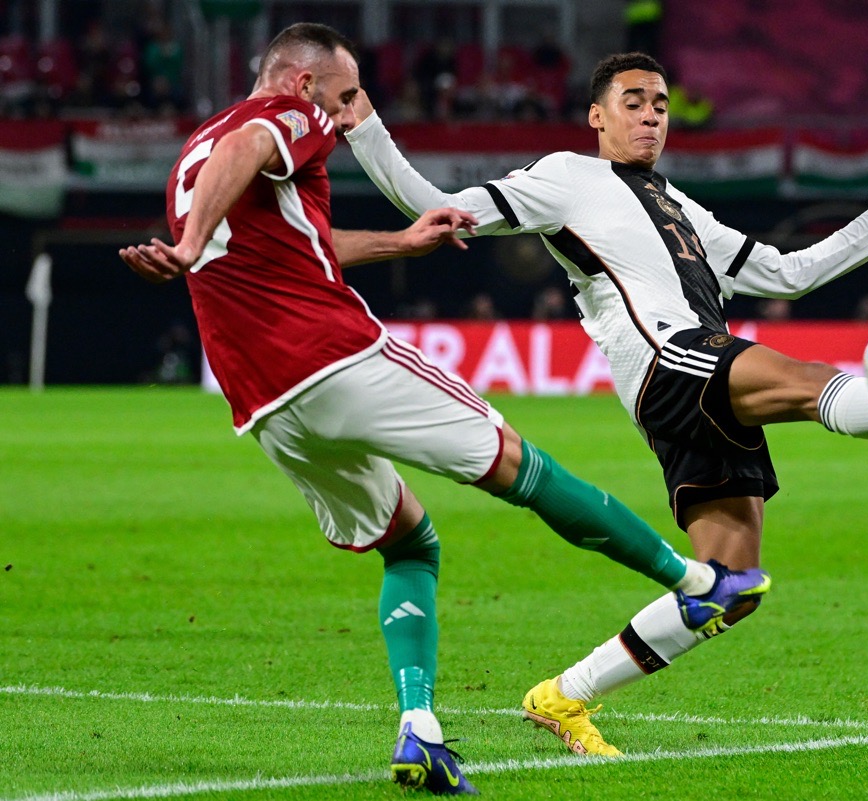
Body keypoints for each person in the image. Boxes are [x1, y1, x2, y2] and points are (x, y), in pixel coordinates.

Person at [345, 51, 868, 757]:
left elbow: (789, 272)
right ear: (597, 115)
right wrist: (366, 124)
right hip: (667, 360)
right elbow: (428, 202)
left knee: (731, 584)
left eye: (659, 103)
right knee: (806, 382)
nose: (651, 114)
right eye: (633, 101)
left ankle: (564, 695)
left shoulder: (679, 205)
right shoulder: (565, 178)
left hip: (698, 378)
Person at [118, 28, 769, 795]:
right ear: (302, 82)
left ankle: (418, 731)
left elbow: (306, 243)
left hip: (265, 402)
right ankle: (695, 581)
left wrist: (401, 241)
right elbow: (262, 137)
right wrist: (190, 245)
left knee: (411, 544)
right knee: (518, 465)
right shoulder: (284, 115)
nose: (349, 109)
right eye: (345, 93)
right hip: (336, 357)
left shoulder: (196, 148)